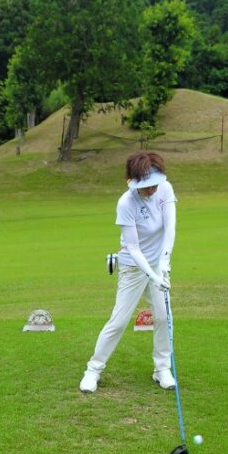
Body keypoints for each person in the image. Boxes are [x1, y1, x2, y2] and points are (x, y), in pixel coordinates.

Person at [79, 151, 177, 393]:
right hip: (133, 267)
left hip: (158, 264)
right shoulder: (126, 203)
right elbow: (133, 248)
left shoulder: (165, 189)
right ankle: (93, 370)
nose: (152, 189)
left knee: (164, 317)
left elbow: (170, 228)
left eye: (155, 184)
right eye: (147, 186)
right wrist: (153, 275)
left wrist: (164, 263)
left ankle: (162, 369)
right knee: (119, 321)